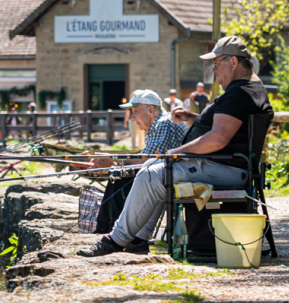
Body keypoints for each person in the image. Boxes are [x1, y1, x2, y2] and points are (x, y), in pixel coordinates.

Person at [78, 35, 273, 257]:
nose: (213, 70)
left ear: (234, 63)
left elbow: (219, 139)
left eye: (216, 64)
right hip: (228, 166)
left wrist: (175, 153)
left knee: (151, 174)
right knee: (153, 168)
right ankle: (139, 238)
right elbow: (224, 127)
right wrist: (193, 118)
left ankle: (115, 240)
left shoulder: (239, 92)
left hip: (225, 169)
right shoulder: (250, 89)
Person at [88, 90, 189, 249]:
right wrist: (113, 161)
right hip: (170, 174)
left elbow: (148, 161)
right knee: (123, 176)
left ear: (151, 110)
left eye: (135, 111)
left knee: (125, 179)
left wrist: (113, 160)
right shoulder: (156, 124)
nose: (133, 117)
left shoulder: (163, 123)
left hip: (185, 174)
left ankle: (129, 236)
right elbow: (146, 159)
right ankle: (125, 233)